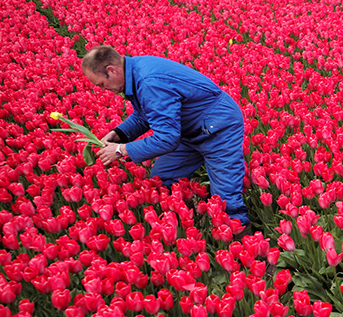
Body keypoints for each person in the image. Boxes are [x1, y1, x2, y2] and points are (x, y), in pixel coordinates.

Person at [81, 45, 251, 229]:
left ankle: (237, 242)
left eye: (100, 84)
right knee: (162, 179)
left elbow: (166, 139)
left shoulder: (149, 82)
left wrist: (121, 150)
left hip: (218, 128)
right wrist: (118, 135)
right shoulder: (135, 72)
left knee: (225, 198)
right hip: (189, 130)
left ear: (111, 70)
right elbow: (143, 115)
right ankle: (185, 223)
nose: (103, 89)